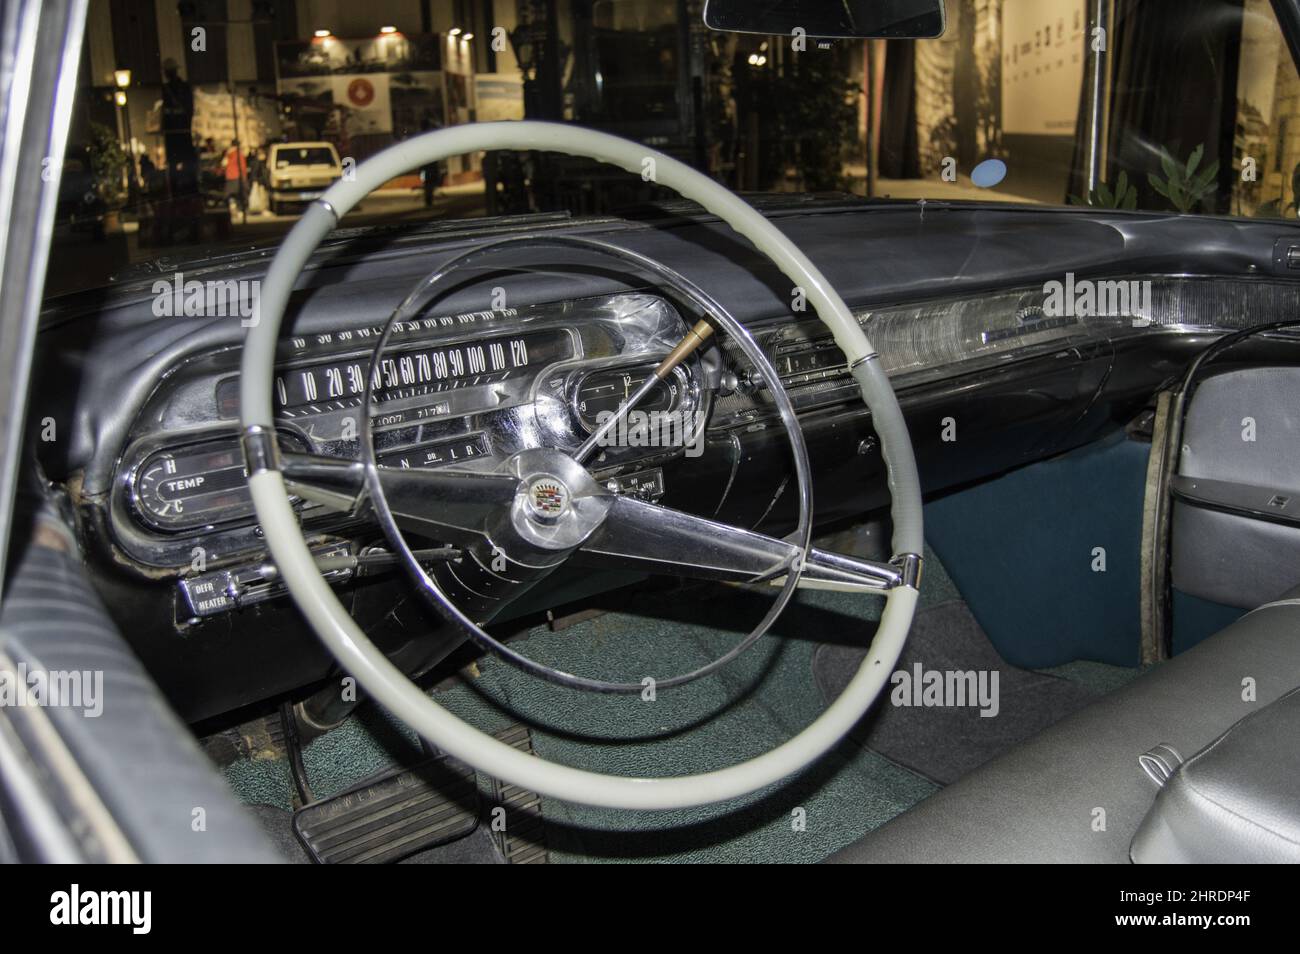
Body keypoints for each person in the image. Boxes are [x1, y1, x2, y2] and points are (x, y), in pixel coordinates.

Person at [221, 139, 247, 211]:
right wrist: (244, 176)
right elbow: (242, 166)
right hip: (237, 176)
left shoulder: (228, 153)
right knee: (239, 194)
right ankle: (238, 209)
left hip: (229, 176)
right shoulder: (239, 154)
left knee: (230, 195)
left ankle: (232, 208)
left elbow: (223, 164)